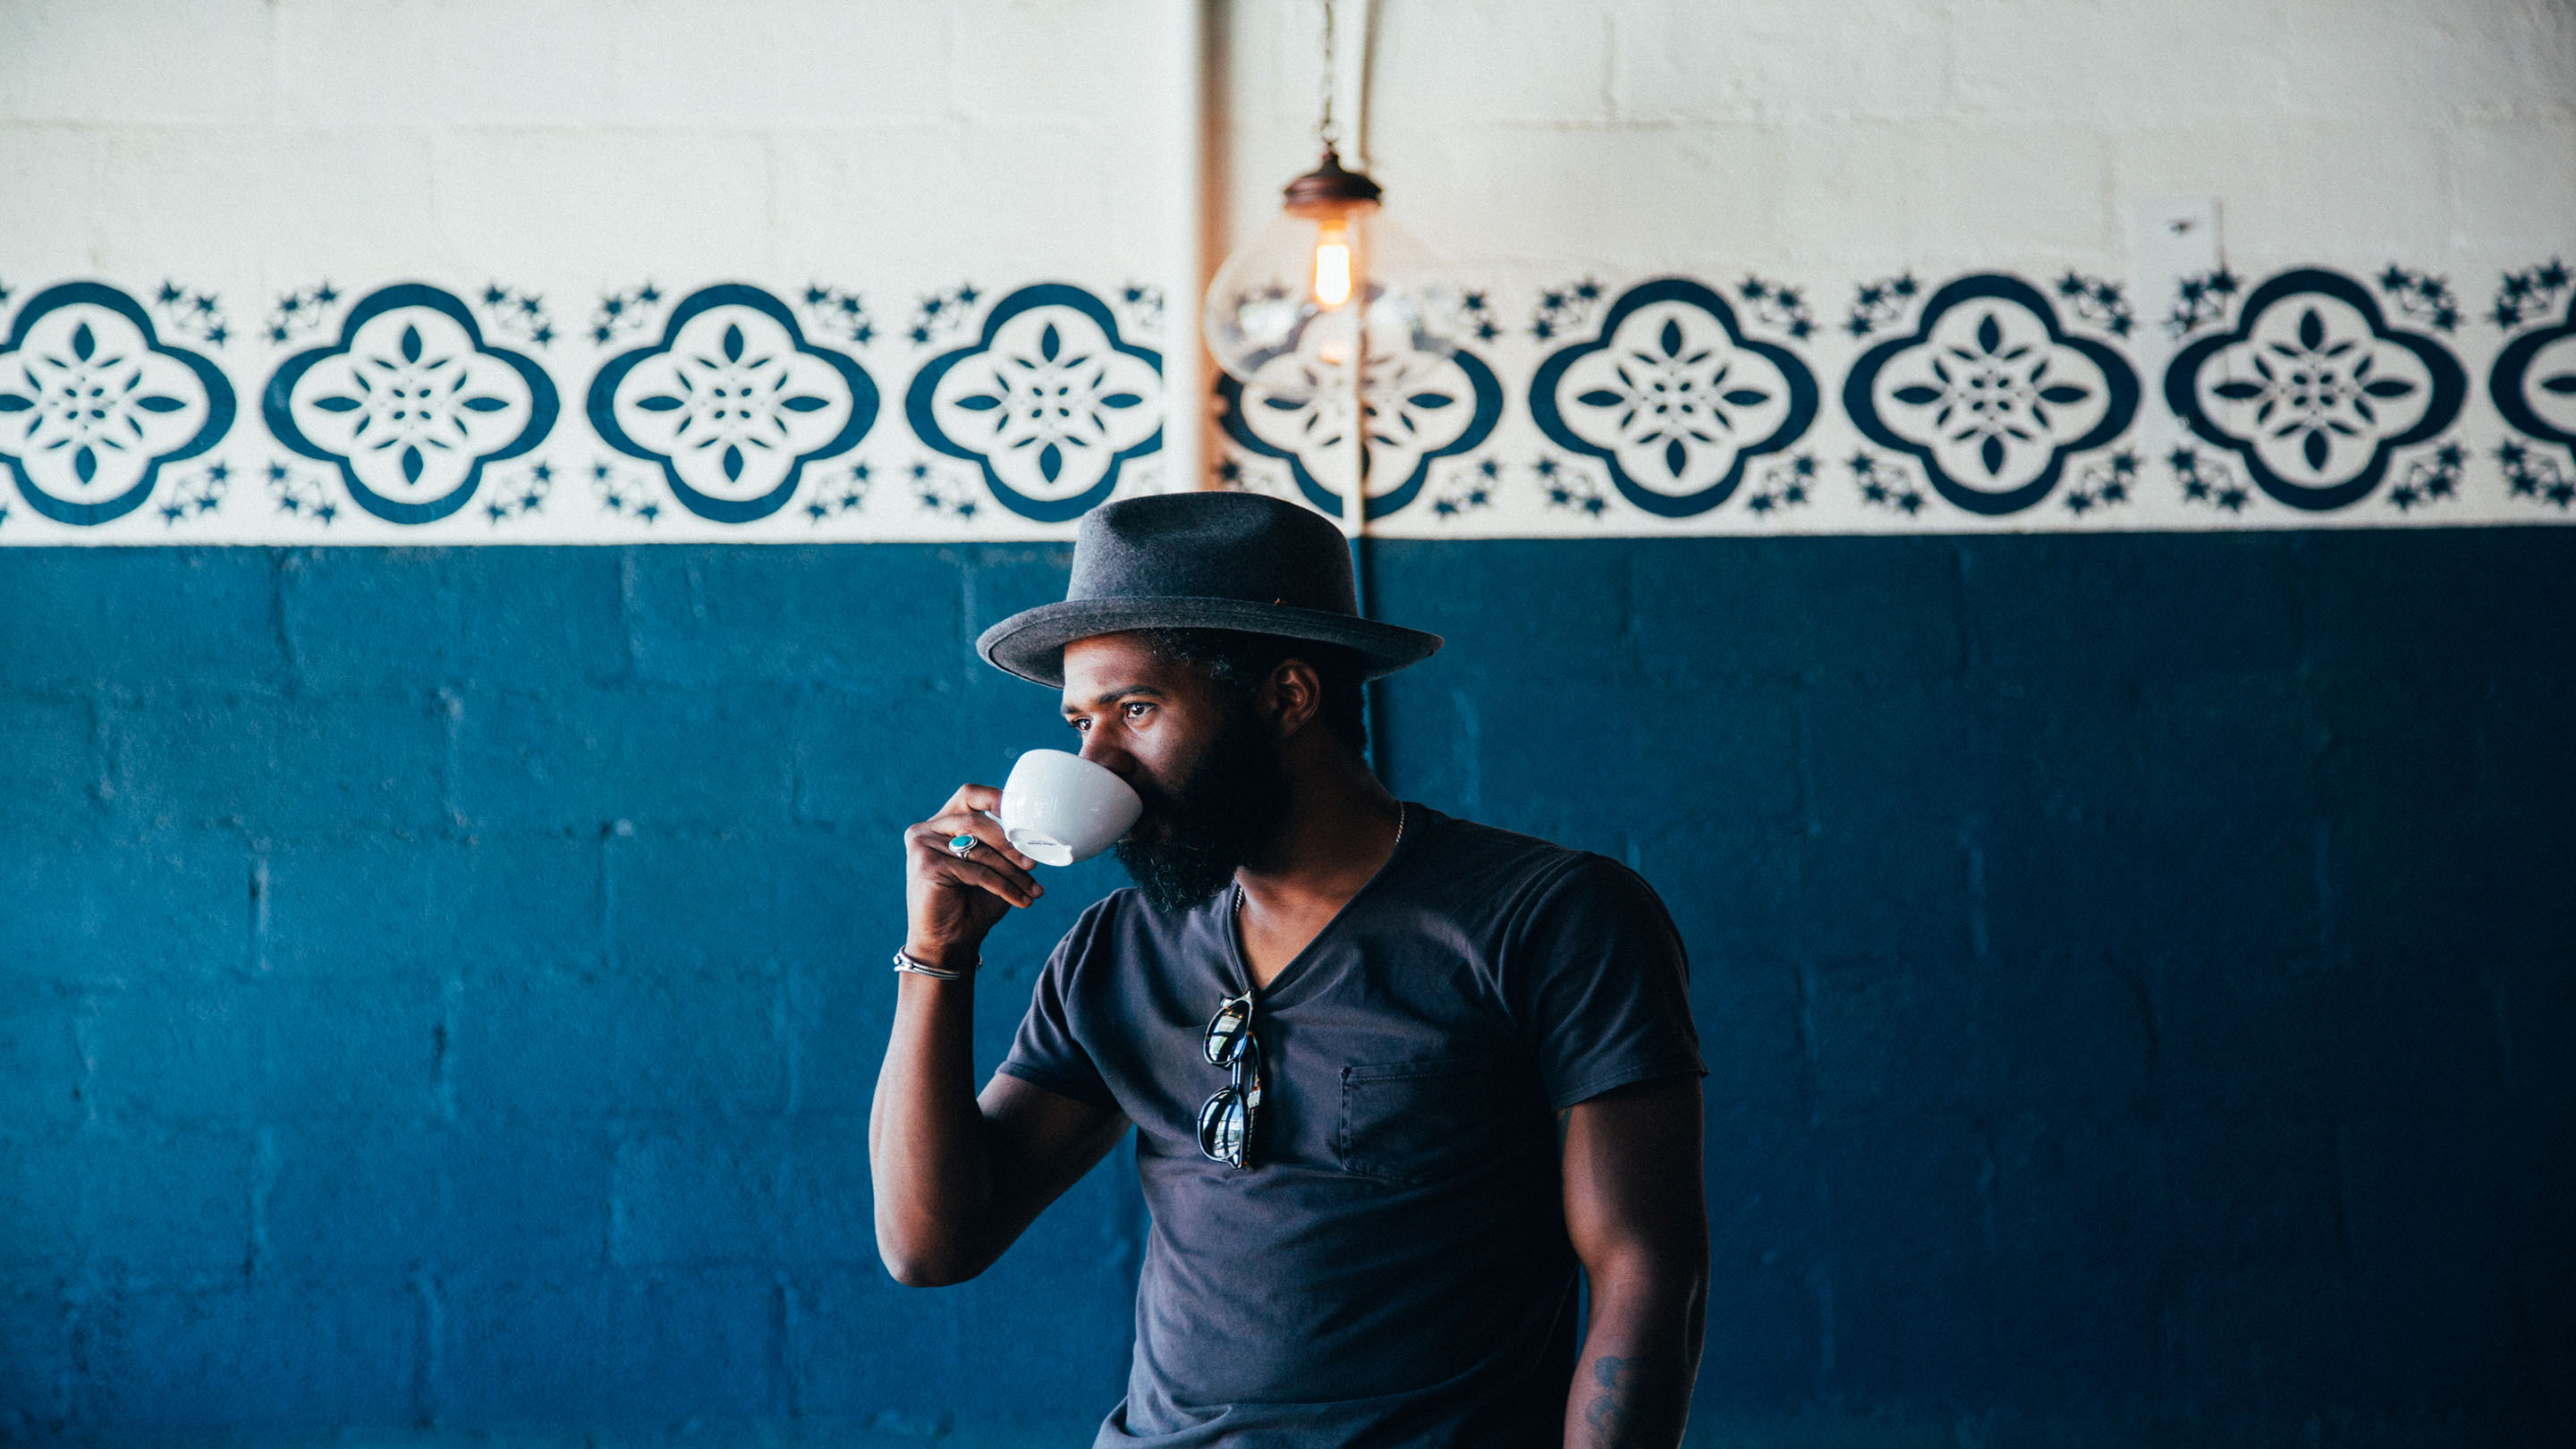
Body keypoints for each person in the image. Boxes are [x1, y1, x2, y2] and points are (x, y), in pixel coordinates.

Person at [869, 491, 1708, 1448]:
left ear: (1288, 696)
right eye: (1080, 724)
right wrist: (938, 956)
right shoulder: (1119, 948)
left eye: (1135, 710)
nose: (1099, 760)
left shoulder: (1552, 915)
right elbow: (930, 1245)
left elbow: (1648, 1269)